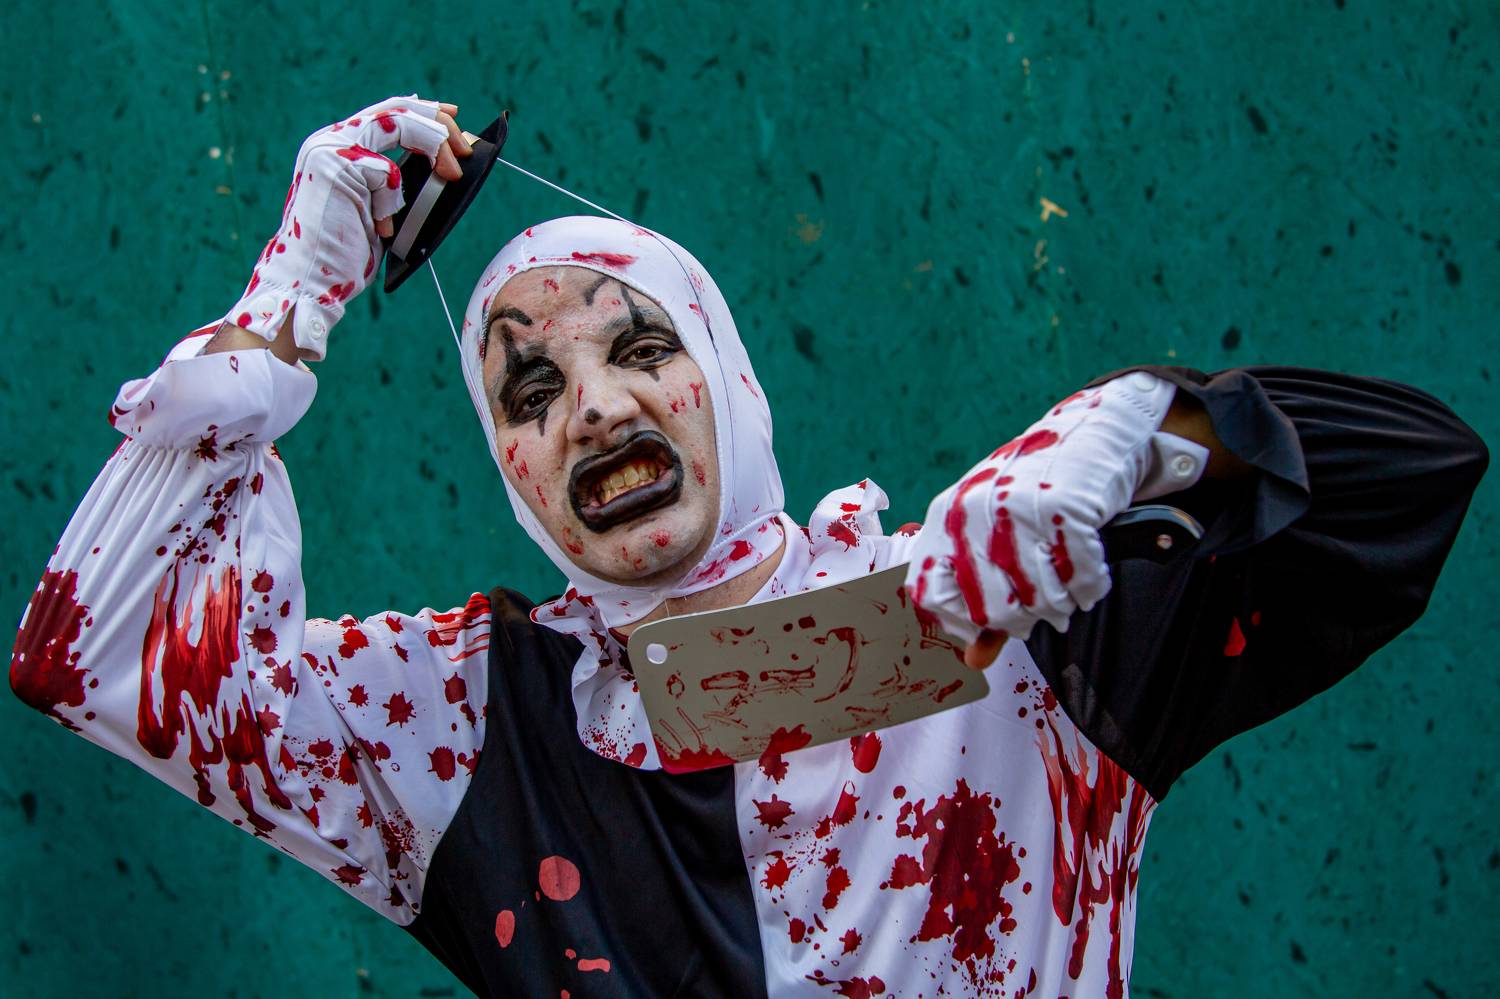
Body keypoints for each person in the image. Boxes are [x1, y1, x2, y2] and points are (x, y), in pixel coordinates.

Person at [9, 96, 1487, 998]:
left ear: (727, 374)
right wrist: (287, 306)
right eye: (529, 392)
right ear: (509, 465)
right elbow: (96, 654)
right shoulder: (470, 728)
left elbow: (1416, 473)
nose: (594, 408)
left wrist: (1140, 437)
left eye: (641, 348)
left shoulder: (1008, 604)